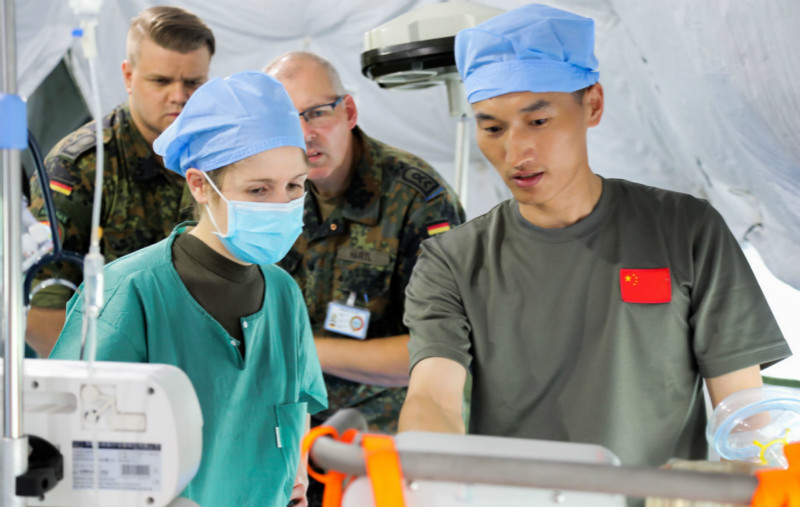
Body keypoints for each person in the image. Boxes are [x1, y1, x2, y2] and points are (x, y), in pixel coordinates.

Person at [398, 2, 792, 474]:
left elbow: (742, 411)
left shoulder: (686, 229)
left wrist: (752, 482)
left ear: (593, 105)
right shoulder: (453, 260)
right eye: (493, 128)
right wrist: (421, 475)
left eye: (538, 121)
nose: (516, 152)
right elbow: (432, 397)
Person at [49, 71, 327, 507]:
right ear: (200, 185)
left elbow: (294, 409)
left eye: (294, 186)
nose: (282, 205)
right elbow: (66, 438)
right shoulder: (129, 292)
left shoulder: (283, 294)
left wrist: (294, 473)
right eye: (258, 189)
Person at [264, 52, 465, 434]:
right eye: (286, 120)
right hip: (285, 422)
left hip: (380, 433)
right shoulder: (268, 190)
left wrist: (304, 350)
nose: (304, 133)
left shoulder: (418, 199)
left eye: (317, 113)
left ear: (350, 112)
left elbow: (441, 350)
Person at [27, 6, 215, 357]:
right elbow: (42, 318)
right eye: (160, 81)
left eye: (193, 82)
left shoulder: (221, 159)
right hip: (111, 374)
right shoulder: (81, 169)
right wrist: (130, 379)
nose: (179, 96)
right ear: (128, 77)